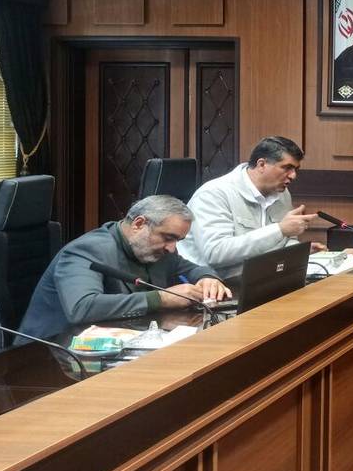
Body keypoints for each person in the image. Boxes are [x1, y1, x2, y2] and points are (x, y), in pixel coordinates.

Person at [18, 195, 231, 341]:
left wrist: (207, 277)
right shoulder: (88, 250)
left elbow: (188, 268)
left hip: (121, 340)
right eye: (168, 238)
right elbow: (82, 308)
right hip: (50, 353)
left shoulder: (159, 249)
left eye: (178, 240)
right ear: (138, 224)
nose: (172, 248)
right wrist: (161, 298)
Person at [180, 136, 323, 280]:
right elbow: (215, 253)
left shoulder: (282, 194)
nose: (293, 176)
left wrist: (298, 252)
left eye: (295, 169)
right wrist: (279, 230)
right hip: (215, 283)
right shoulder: (214, 194)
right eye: (287, 168)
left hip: (261, 279)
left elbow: (286, 239)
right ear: (262, 165)